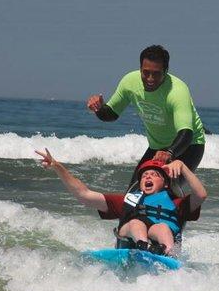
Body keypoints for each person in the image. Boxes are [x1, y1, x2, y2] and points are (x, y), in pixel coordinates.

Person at [35, 148, 207, 256]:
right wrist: (57, 167)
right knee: (136, 223)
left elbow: (201, 195)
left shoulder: (176, 203)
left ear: (166, 183)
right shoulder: (127, 200)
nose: (148, 177)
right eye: (144, 175)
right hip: (131, 239)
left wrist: (183, 167)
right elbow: (84, 195)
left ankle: (167, 253)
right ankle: (143, 246)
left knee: (161, 227)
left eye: (154, 175)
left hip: (161, 244)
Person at [87, 45, 206, 188]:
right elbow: (111, 114)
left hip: (189, 145)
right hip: (157, 147)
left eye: (156, 74)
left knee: (167, 191)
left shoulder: (177, 91)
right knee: (133, 194)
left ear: (166, 71)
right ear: (140, 69)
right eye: (146, 73)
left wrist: (169, 152)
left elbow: (186, 133)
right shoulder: (129, 82)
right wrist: (99, 109)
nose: (150, 78)